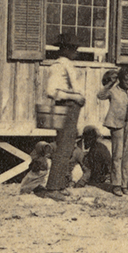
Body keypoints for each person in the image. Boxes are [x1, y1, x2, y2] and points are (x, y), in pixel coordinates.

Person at [44, 33, 86, 195]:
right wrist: (74, 96)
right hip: (65, 107)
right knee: (62, 149)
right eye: (74, 48)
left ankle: (60, 184)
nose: (76, 51)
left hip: (72, 109)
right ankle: (53, 187)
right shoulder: (58, 66)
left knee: (68, 148)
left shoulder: (67, 64)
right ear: (66, 49)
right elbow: (51, 91)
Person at [98, 66, 128, 197]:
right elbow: (100, 95)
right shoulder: (113, 91)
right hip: (117, 125)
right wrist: (111, 82)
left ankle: (124, 185)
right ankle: (116, 185)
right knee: (117, 155)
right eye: (126, 80)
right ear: (120, 80)